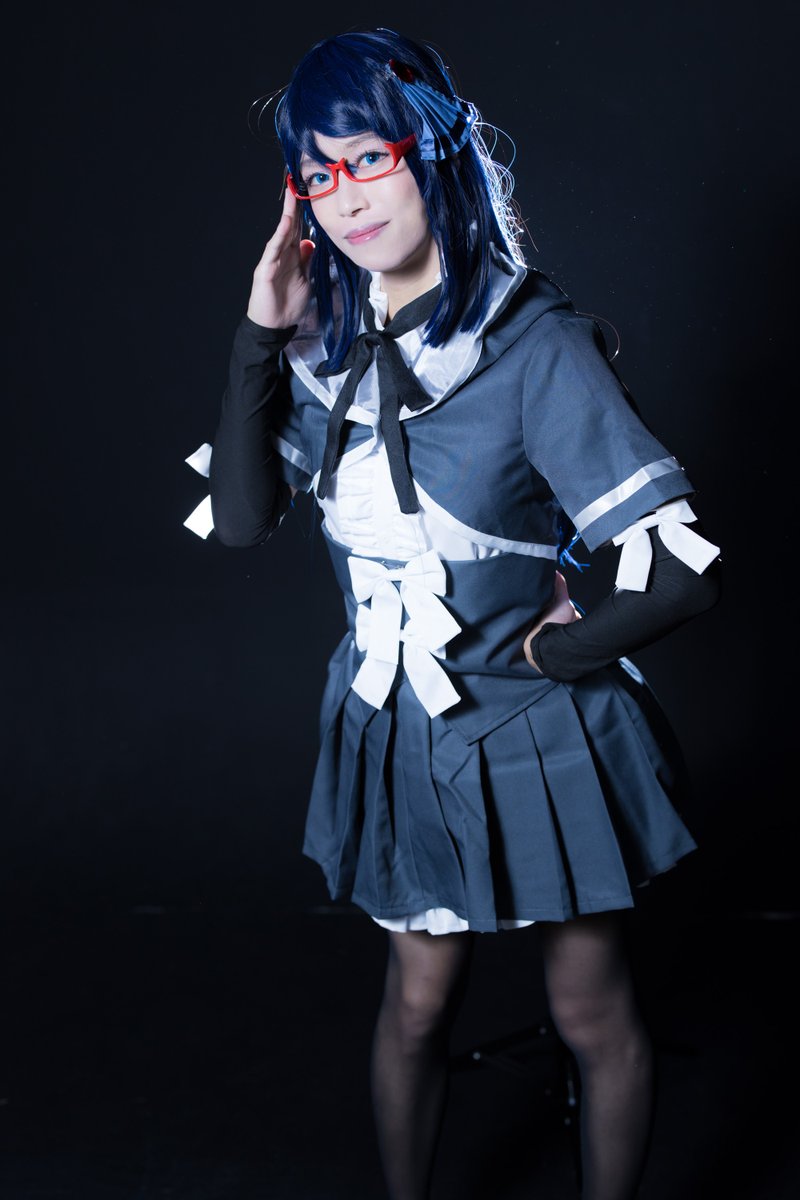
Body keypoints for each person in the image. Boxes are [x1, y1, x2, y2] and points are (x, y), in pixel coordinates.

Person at [183, 28, 721, 1200]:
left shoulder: (535, 346)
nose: (344, 197)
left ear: (431, 156)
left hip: (532, 730)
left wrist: (562, 652)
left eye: (367, 159)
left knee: (588, 1007)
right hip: (395, 731)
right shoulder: (326, 346)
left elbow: (682, 576)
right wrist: (260, 328)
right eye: (316, 174)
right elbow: (237, 521)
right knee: (416, 1001)